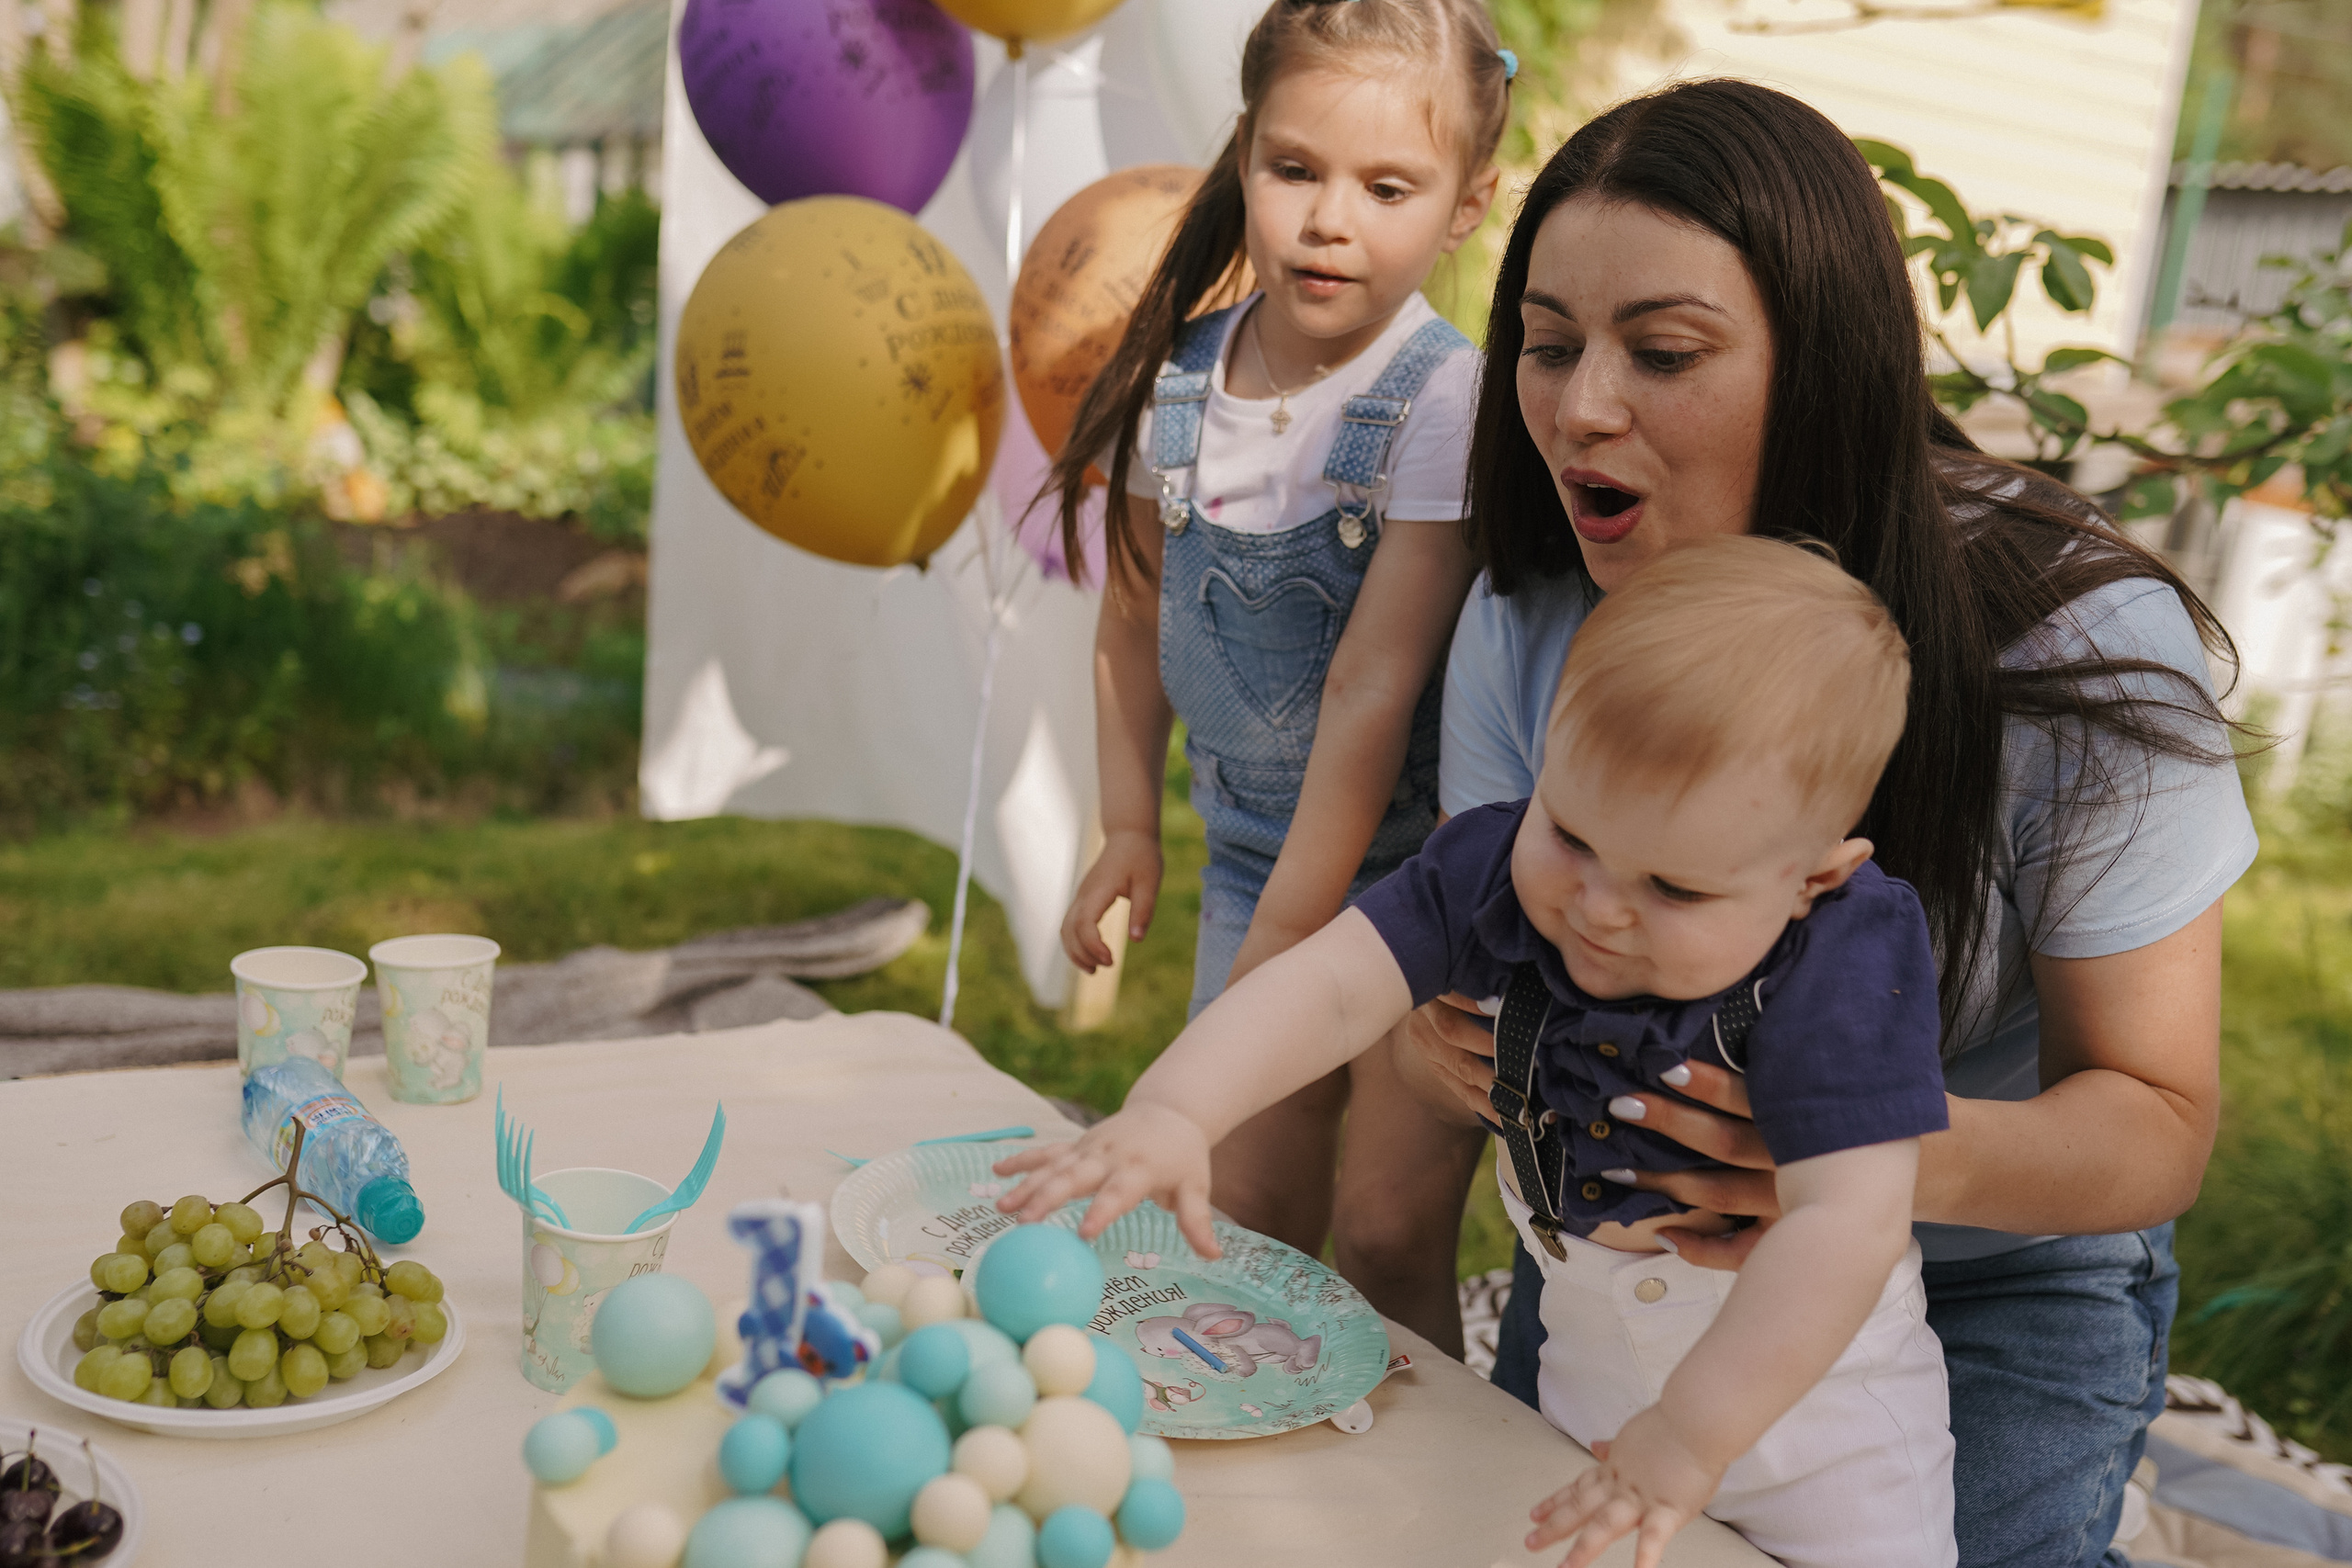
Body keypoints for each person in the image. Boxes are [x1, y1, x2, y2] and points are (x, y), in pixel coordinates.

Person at [1394, 80, 2257, 1568]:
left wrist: (1859, 1164)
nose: (1581, 405)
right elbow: (1475, 956)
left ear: (1828, 369)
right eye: (1545, 344)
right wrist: (1436, 1038)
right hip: (1637, 1267)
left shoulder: (2075, 649)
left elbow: (2158, 1122)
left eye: (1662, 352)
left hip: (1990, 1275)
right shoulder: (1528, 619)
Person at [1000, 537, 1962, 1568]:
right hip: (1589, 1367)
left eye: (1674, 891)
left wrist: (1691, 1437)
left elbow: (1846, 1226)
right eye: (1572, 832)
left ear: (1813, 878)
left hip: (1817, 1426)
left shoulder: (1846, 952)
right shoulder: (1496, 863)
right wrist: (1177, 1108)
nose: (1596, 908)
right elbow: (1330, 988)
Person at [1042, 0, 1509, 1352]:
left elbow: (1372, 690)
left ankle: (1420, 1476)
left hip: (1418, 890)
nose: (1328, 219)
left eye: (1388, 186)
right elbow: (1132, 617)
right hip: (1253, 860)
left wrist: (1286, 954)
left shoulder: (1439, 401)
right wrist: (1131, 823)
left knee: (1384, 1227)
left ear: (1468, 204)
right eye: (1294, 169)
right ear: (1243, 153)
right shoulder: (1180, 378)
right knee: (1234, 1208)